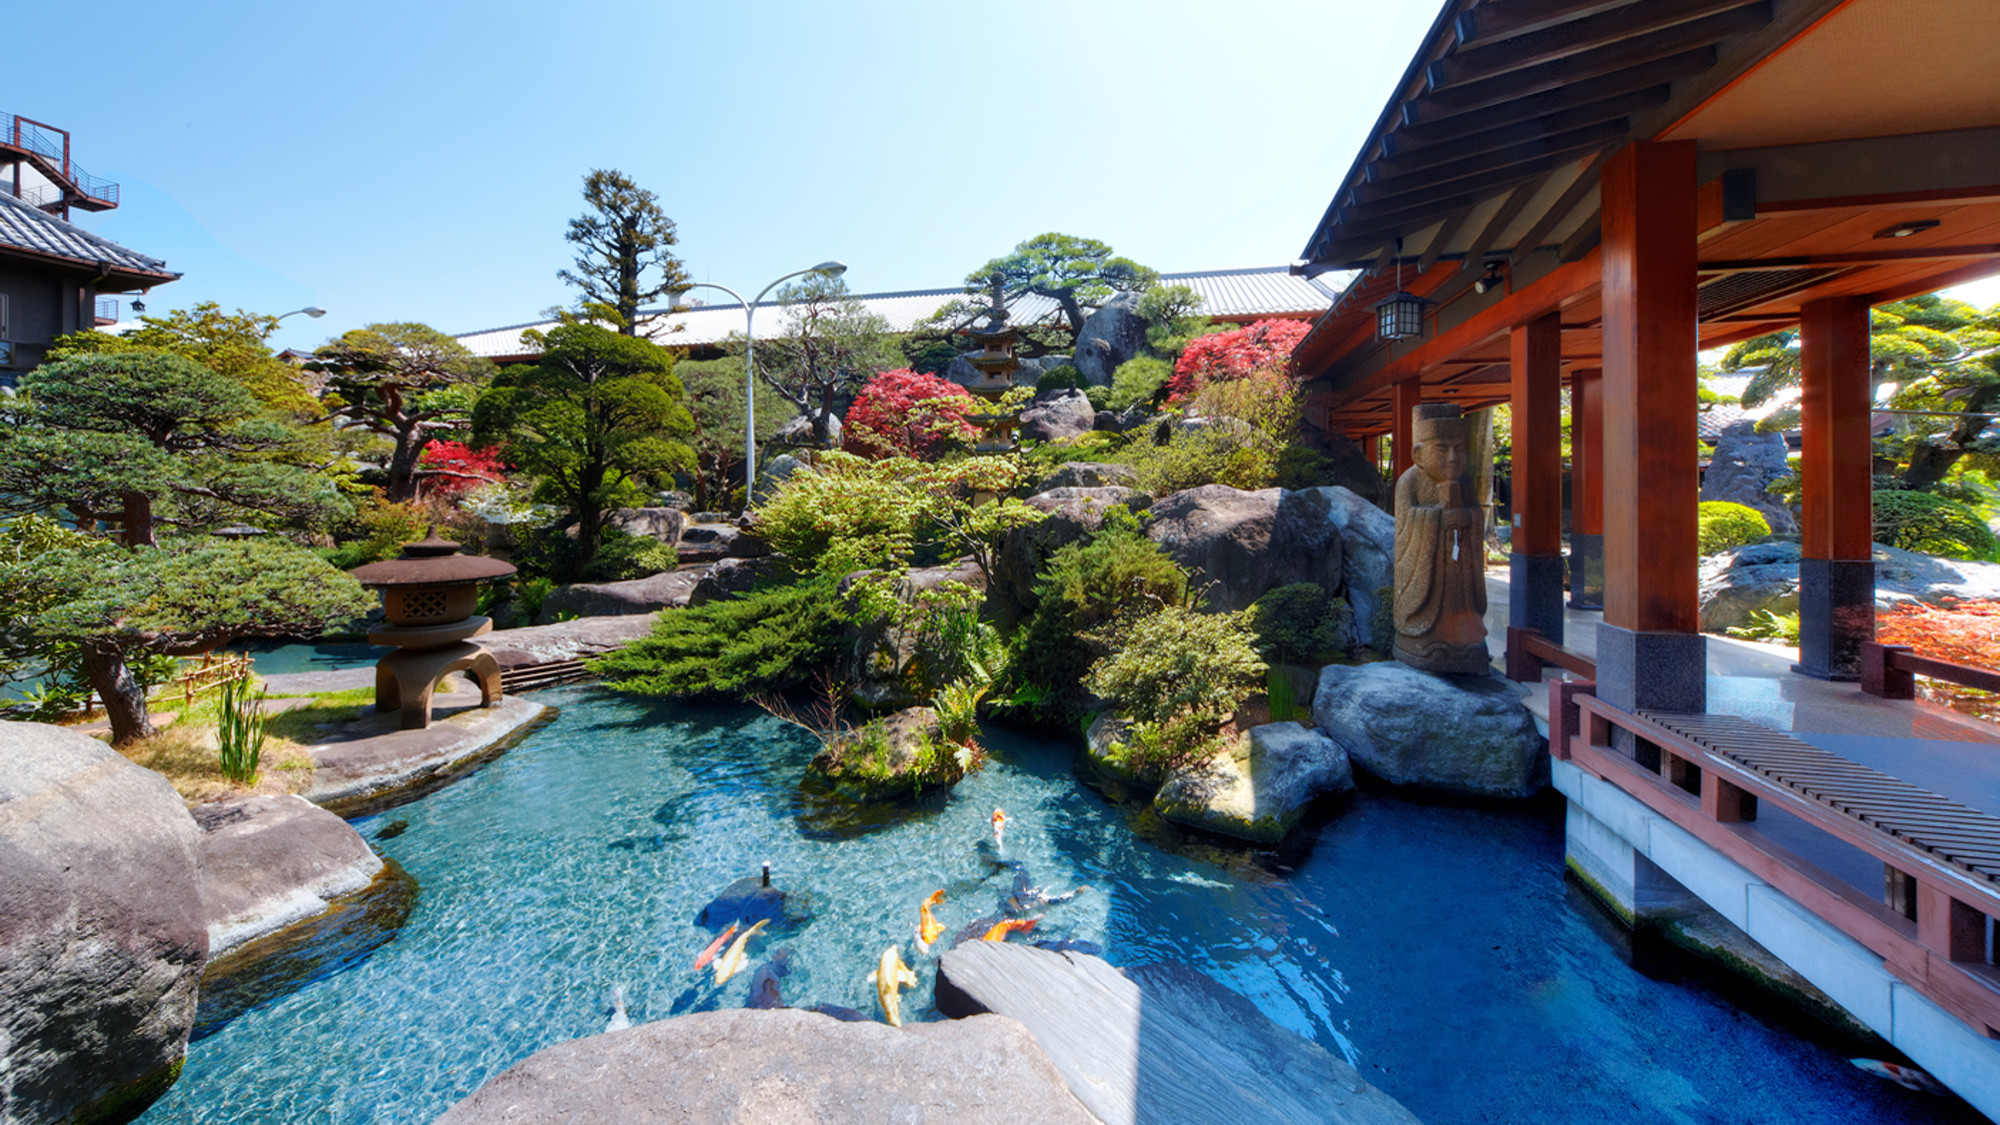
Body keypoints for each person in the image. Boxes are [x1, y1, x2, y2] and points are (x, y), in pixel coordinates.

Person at [1393, 403, 1490, 674]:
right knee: (1430, 637)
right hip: (1426, 569)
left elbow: (1476, 516)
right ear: (1419, 454)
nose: (1453, 457)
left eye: (1459, 449)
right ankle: (1423, 640)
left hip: (1459, 567)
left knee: (1461, 601)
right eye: (1441, 449)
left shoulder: (1466, 482)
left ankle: (1464, 641)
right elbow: (1404, 524)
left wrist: (1467, 518)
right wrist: (1436, 519)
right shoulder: (1409, 482)